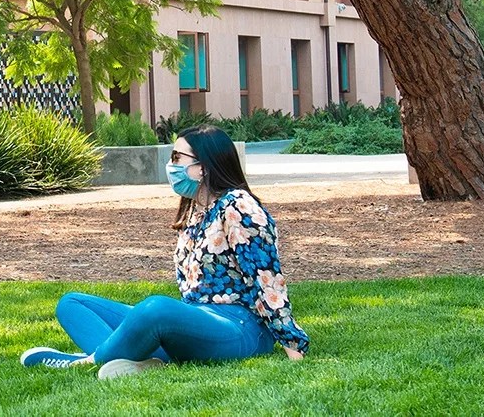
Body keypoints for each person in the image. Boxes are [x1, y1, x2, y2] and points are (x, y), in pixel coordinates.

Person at [20, 126, 310, 379]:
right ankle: (142, 361)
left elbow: (267, 280)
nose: (170, 165)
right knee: (72, 304)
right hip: (196, 322)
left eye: (176, 158)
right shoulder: (197, 211)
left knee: (156, 308)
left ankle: (86, 363)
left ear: (202, 167)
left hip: (240, 328)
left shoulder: (239, 207)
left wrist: (291, 342)